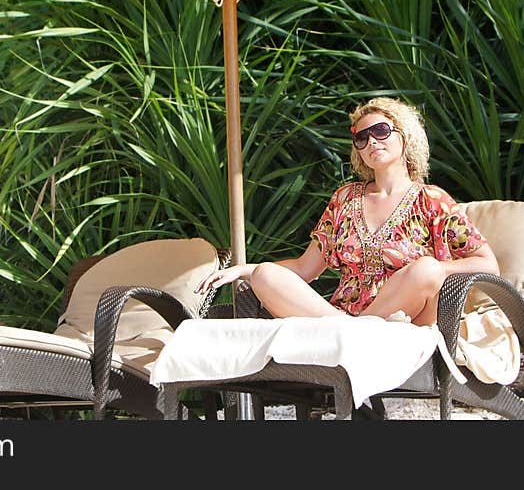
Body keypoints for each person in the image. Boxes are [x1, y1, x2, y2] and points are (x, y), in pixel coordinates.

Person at [197, 96, 499, 326]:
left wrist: (432, 271)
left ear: (405, 136)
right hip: (340, 317)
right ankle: (349, 331)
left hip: (405, 321)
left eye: (381, 131)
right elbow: (305, 269)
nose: (371, 142)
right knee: (265, 275)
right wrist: (245, 269)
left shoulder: (432, 200)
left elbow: (488, 265)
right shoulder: (345, 198)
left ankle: (354, 333)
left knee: (428, 268)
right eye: (361, 137)